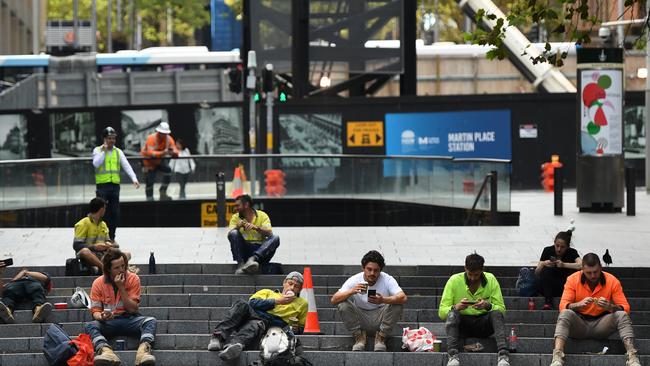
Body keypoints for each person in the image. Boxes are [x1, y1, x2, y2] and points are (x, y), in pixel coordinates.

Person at [549, 253, 641, 366]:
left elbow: (625, 308)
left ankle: (632, 356)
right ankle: (557, 356)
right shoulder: (572, 279)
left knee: (622, 315)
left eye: (595, 272)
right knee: (565, 313)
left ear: (601, 268)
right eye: (588, 272)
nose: (593, 276)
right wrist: (577, 305)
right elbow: (563, 305)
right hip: (579, 324)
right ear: (582, 269)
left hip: (601, 325)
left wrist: (610, 307)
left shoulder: (612, 281)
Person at [207, 272, 307, 361]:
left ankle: (234, 345)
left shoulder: (302, 304)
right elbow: (252, 303)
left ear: (300, 290)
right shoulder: (268, 292)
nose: (292, 288)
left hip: (273, 326)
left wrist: (297, 329)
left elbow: (301, 328)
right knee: (241, 304)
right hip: (255, 315)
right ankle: (218, 337)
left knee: (256, 324)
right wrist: (277, 301)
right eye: (290, 284)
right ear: (284, 283)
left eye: (296, 286)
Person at [85, 249, 157, 366]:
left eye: (123, 266)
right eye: (117, 268)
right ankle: (105, 351)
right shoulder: (98, 283)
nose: (122, 270)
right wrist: (102, 316)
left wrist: (121, 287)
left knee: (150, 321)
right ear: (108, 269)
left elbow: (133, 309)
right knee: (90, 325)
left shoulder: (133, 279)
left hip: (130, 319)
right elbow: (95, 311)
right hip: (109, 322)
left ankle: (143, 353)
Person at [439, 253, 510, 366]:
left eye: (476, 275)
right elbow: (442, 312)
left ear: (482, 270)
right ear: (465, 269)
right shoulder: (454, 280)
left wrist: (488, 306)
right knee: (452, 314)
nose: (472, 278)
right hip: (462, 325)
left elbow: (502, 311)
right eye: (470, 274)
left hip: (484, 324)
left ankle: (503, 355)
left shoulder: (491, 279)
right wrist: (456, 307)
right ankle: (452, 355)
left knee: (496, 314)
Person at [330, 250, 407, 352]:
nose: (372, 273)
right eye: (369, 269)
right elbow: (334, 299)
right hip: (360, 318)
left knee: (397, 304)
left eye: (376, 270)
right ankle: (359, 337)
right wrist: (352, 291)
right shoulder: (355, 279)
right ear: (363, 268)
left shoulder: (387, 279)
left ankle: (381, 338)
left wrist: (383, 299)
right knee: (343, 305)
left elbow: (403, 297)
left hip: (381, 317)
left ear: (380, 270)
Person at [93, 126, 140, 240]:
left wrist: (134, 178)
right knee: (101, 212)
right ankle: (101, 236)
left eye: (113, 138)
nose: (112, 141)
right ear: (104, 139)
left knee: (114, 212)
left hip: (114, 186)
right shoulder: (97, 150)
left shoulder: (118, 152)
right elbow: (96, 164)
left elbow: (126, 165)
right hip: (102, 186)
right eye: (109, 138)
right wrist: (104, 151)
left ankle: (111, 237)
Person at [73, 197, 130, 271]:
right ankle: (104, 268)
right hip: (89, 255)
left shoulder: (103, 224)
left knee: (127, 254)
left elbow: (108, 240)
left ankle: (111, 268)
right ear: (101, 209)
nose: (105, 210)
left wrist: (109, 244)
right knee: (85, 251)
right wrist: (94, 247)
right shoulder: (82, 223)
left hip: (103, 255)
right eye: (105, 208)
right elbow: (77, 245)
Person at [228, 194, 280, 274]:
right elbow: (230, 235)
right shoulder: (235, 217)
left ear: (246, 205)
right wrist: (237, 227)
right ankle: (241, 265)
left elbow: (269, 233)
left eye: (238, 205)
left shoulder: (262, 215)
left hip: (260, 252)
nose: (236, 208)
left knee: (275, 237)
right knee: (234, 232)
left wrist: (256, 228)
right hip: (244, 251)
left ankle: (252, 260)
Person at [535, 230, 581, 309]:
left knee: (575, 272)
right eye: (557, 246)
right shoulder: (547, 250)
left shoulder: (572, 252)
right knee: (546, 270)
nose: (559, 249)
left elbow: (582, 265)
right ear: (554, 243)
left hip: (565, 286)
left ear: (567, 246)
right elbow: (536, 272)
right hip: (547, 286)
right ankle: (548, 301)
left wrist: (564, 265)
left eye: (562, 247)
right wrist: (543, 263)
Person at [140, 121, 178, 201]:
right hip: (148, 162)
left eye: (165, 133)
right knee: (150, 181)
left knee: (168, 170)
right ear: (158, 132)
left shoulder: (169, 139)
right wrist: (163, 153)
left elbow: (175, 151)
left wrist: (173, 153)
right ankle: (149, 199)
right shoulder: (151, 138)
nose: (163, 135)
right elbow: (150, 153)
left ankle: (163, 192)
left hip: (159, 161)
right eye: (161, 133)